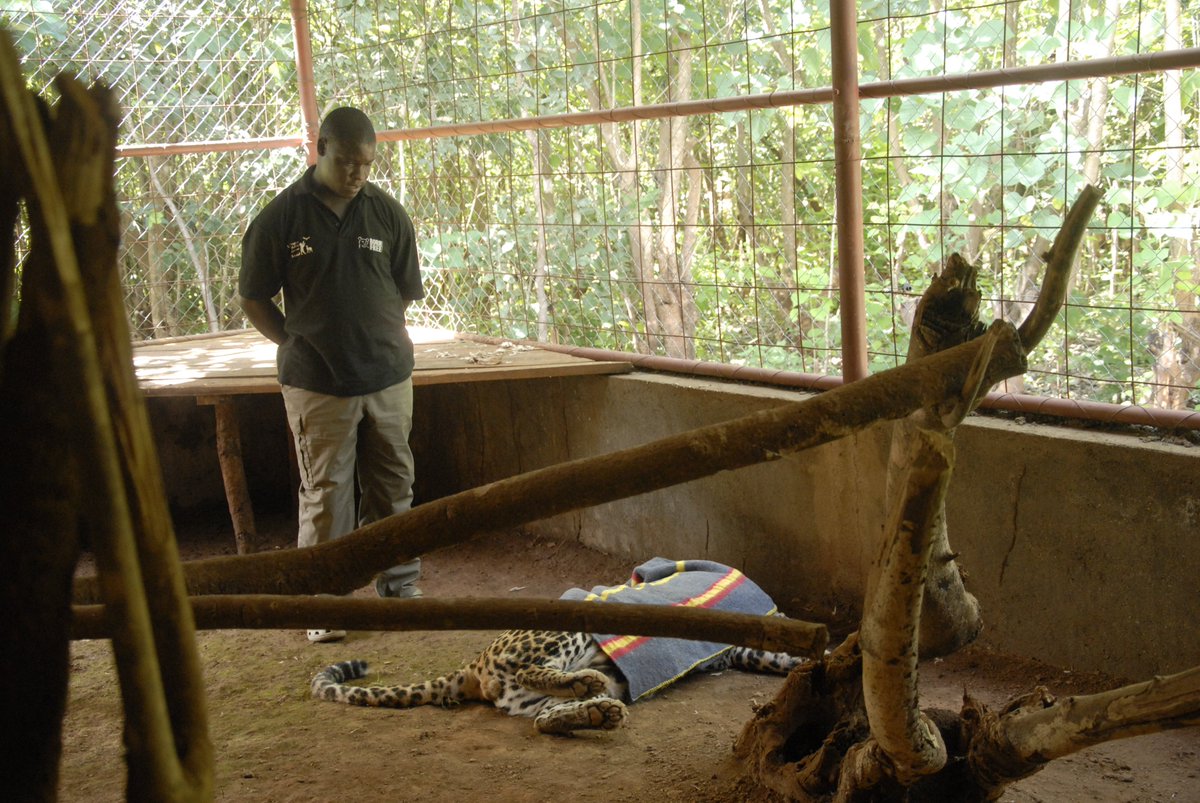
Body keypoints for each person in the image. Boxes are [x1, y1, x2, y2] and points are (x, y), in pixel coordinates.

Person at [238, 107, 424, 643]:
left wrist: (373, 340)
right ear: (320, 148)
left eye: (366, 163)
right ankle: (324, 602)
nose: (356, 173)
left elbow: (403, 293)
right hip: (316, 383)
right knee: (327, 493)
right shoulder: (280, 217)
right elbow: (253, 297)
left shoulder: (388, 214)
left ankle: (400, 587)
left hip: (388, 377)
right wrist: (296, 343)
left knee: (393, 485)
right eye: (345, 161)